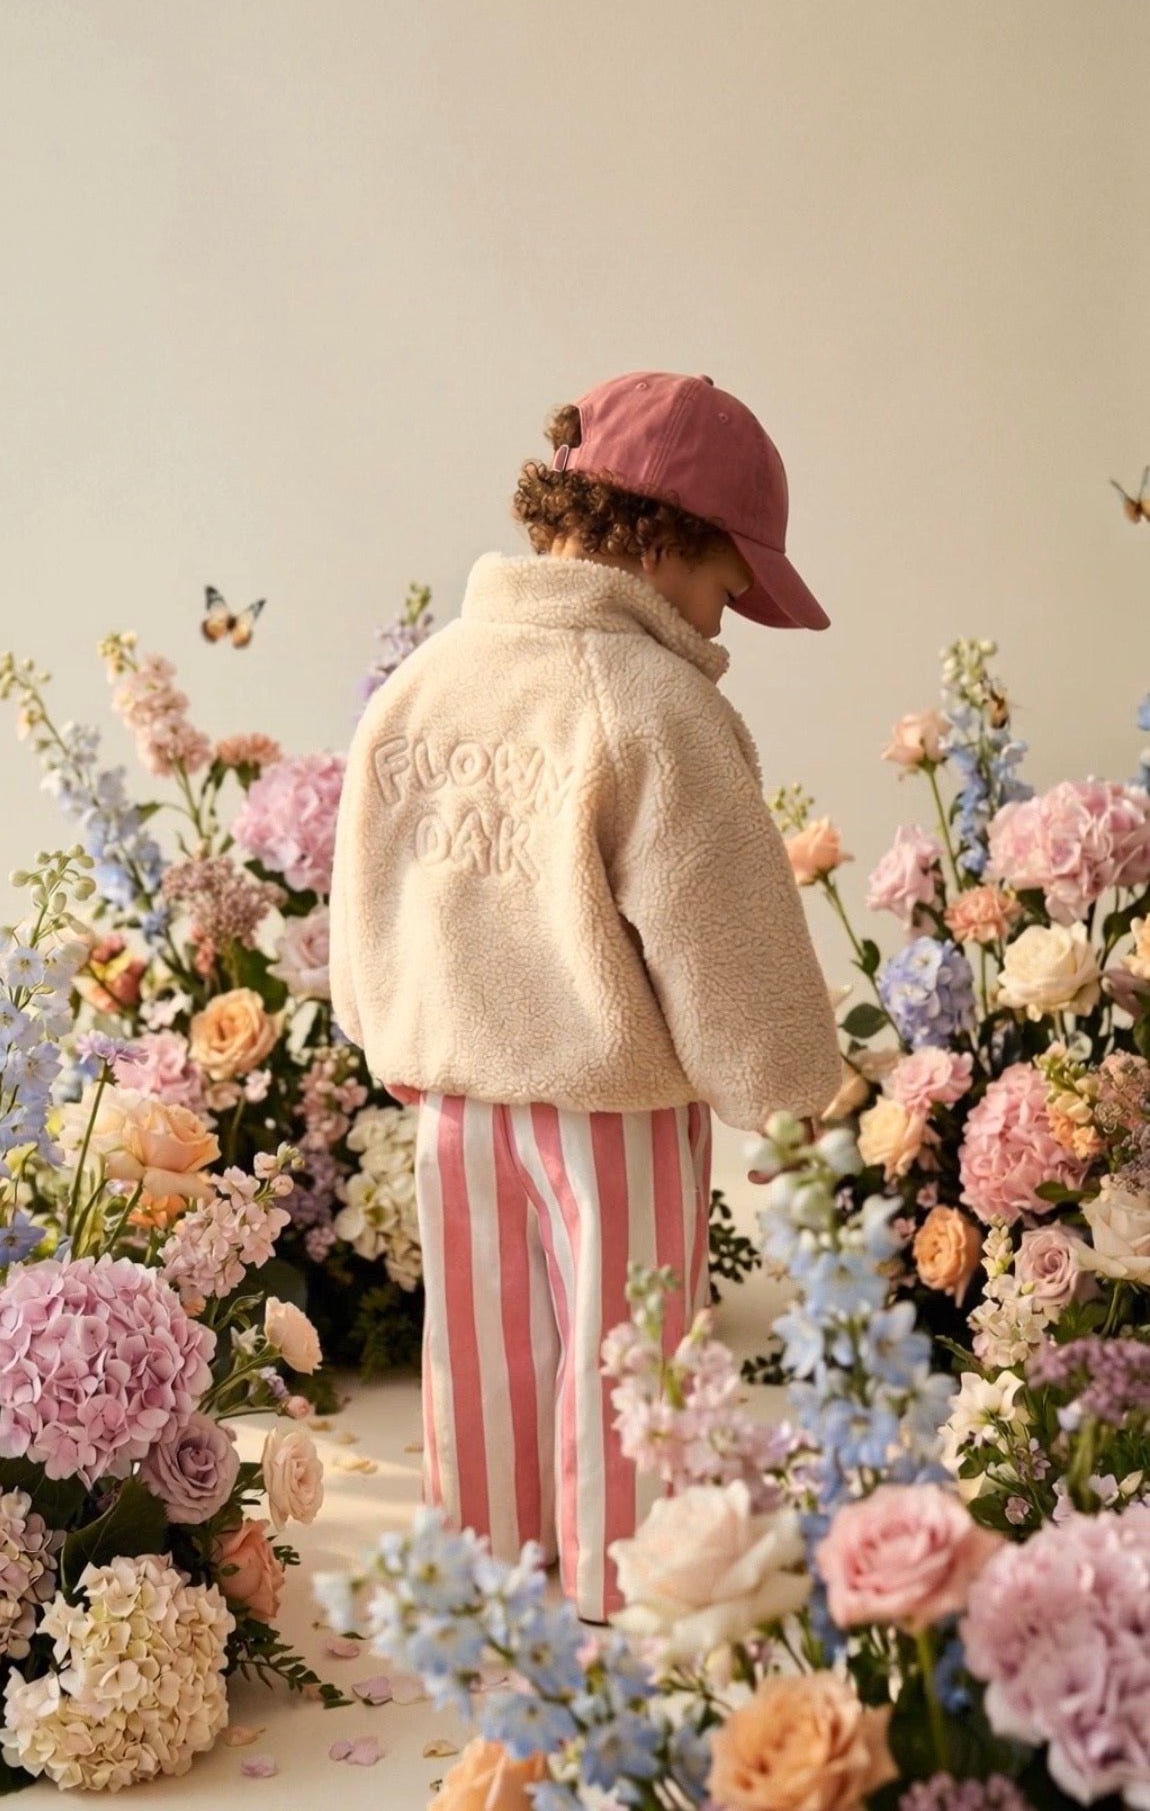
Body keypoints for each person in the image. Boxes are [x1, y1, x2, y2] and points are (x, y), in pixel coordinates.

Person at [328, 369, 842, 1623]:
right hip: (611, 1101)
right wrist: (790, 1085)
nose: (725, 623)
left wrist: (385, 1029)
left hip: (454, 1099)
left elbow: (367, 889)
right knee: (633, 1354)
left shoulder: (428, 681)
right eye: (730, 583)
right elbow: (723, 930)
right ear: (670, 541)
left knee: (485, 1348)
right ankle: (627, 1576)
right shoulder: (656, 704)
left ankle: (490, 1565)